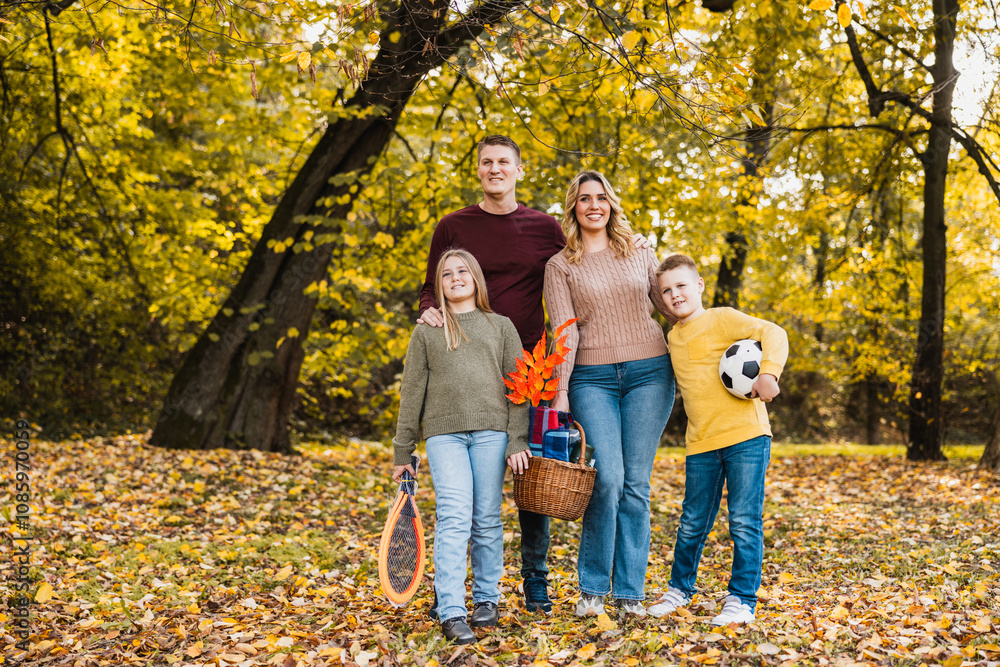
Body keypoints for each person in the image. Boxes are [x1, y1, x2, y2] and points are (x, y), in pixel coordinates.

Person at [416, 135, 566, 613]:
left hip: (529, 370)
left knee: (532, 474)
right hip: (467, 368)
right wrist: (429, 315)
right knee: (469, 503)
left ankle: (534, 579)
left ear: (519, 170)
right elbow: (429, 290)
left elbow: (582, 266)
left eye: (504, 161)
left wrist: (634, 243)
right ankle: (457, 598)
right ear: (478, 171)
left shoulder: (545, 228)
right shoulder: (453, 226)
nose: (495, 169)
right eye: (487, 163)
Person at [543, 170, 676, 618]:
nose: (594, 205)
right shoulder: (560, 266)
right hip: (591, 380)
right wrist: (560, 391)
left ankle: (629, 593)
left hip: (650, 374)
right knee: (608, 478)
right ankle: (593, 588)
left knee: (636, 484)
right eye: (585, 199)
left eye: (601, 197)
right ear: (574, 208)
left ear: (611, 204)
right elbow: (563, 332)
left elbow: (673, 306)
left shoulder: (640, 252)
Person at [393, 249, 531, 644]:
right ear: (438, 285)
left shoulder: (500, 326)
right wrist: (403, 451)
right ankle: (452, 609)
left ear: (475, 278)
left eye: (462, 271)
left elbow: (518, 388)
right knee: (454, 517)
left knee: (486, 519)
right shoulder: (428, 331)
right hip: (444, 436)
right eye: (447, 274)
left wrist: (517, 439)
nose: (455, 278)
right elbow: (411, 392)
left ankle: (487, 599)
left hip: (493, 434)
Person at [648, 253, 788, 625]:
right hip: (701, 443)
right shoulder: (671, 338)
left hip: (746, 437)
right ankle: (679, 589)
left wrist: (769, 374)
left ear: (699, 286)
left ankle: (742, 600)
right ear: (660, 299)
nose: (675, 294)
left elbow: (775, 333)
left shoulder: (722, 318)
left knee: (743, 520)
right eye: (666, 290)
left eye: (681, 285)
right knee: (692, 521)